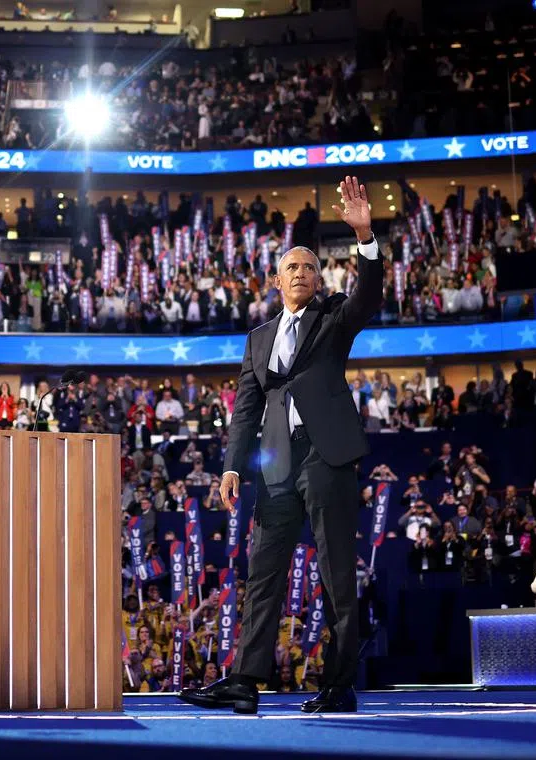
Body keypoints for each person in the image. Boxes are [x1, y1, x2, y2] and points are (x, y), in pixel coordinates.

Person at [179, 176, 381, 715]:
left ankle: (339, 686)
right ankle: (245, 681)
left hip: (326, 456)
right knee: (263, 572)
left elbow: (368, 297)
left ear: (319, 278)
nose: (301, 273)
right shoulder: (258, 338)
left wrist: (365, 238)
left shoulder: (335, 317)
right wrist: (230, 470)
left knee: (336, 573)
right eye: (292, 267)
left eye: (309, 267)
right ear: (277, 279)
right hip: (275, 466)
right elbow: (245, 408)